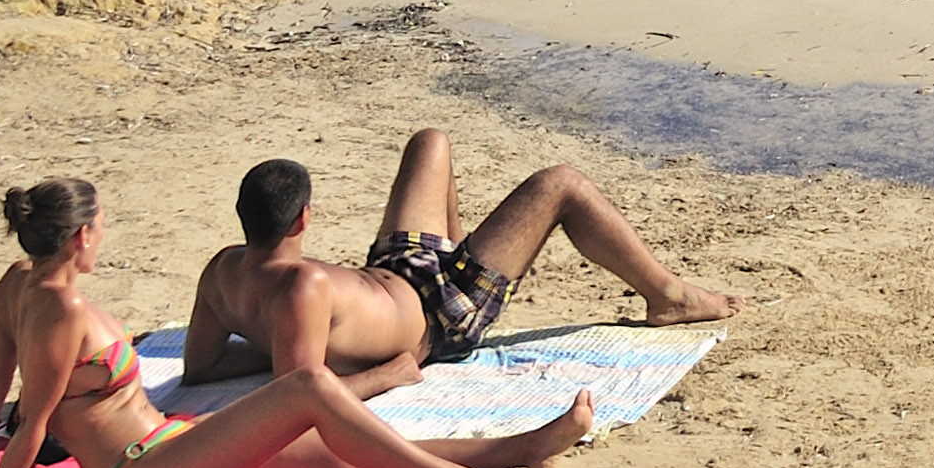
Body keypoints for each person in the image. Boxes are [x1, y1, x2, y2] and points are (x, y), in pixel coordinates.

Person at [0, 177, 588, 468]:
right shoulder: (63, 312)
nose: (103, 237)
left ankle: (518, 446)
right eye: (103, 227)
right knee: (309, 387)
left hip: (163, 449)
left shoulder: (14, 286)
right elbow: (30, 423)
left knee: (340, 458)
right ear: (82, 236)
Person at [183, 133, 739, 386]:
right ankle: (669, 297)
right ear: (304, 219)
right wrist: (382, 374)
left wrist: (280, 346)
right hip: (442, 315)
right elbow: (297, 397)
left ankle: (465, 252)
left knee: (431, 143)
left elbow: (201, 369)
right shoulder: (301, 287)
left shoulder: (220, 270)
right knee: (562, 184)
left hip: (398, 267)